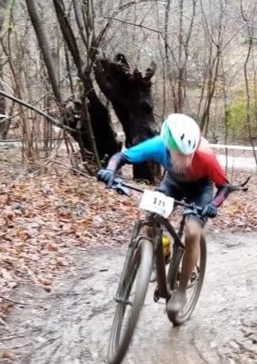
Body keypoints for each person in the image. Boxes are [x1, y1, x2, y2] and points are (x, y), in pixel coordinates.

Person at [96, 114, 231, 316]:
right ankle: (162, 249)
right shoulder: (158, 145)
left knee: (192, 232)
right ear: (168, 147)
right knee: (152, 219)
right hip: (173, 184)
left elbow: (225, 186)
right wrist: (110, 170)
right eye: (180, 155)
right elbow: (121, 157)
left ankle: (182, 291)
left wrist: (213, 204)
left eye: (189, 155)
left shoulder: (205, 156)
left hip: (200, 189)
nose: (185, 161)